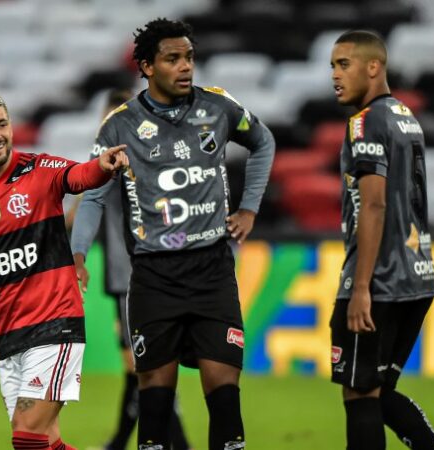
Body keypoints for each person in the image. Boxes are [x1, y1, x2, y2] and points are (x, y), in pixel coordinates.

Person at [78, 18, 275, 450]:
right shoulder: (120, 125)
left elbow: (263, 142)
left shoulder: (218, 107)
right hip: (152, 277)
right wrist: (78, 255)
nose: (186, 67)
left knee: (225, 400)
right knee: (154, 407)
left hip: (212, 272)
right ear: (147, 66)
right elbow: (92, 195)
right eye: (173, 59)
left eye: (189, 57)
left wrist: (248, 208)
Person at [0, 90, 129, 450]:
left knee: (26, 435)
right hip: (11, 335)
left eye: (1, 124)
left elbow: (78, 176)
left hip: (56, 324)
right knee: (44, 442)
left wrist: (101, 166)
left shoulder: (40, 170)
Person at [329, 30, 434, 450]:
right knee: (379, 393)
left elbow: (374, 204)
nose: (335, 75)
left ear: (373, 67)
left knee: (359, 394)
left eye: (344, 64)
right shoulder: (405, 116)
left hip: (380, 278)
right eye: (332, 66)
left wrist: (361, 287)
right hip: (416, 274)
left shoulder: (365, 121)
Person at [70, 88, 193, 450]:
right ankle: (121, 441)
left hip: (134, 278)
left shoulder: (128, 158)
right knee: (138, 368)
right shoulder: (116, 158)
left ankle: (177, 445)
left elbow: (82, 208)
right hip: (126, 277)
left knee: (147, 370)